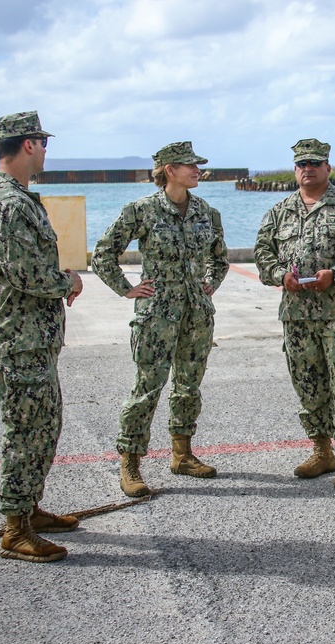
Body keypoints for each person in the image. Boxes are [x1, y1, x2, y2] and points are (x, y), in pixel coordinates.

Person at [0, 111, 84, 563]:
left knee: (44, 424)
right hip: (17, 338)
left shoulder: (19, 198)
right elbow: (27, 273)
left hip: (32, 338)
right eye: (43, 142)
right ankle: (15, 528)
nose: (46, 150)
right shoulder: (9, 205)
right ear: (29, 145)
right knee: (26, 429)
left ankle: (29, 508)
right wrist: (69, 282)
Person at [91, 142, 229, 497]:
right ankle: (130, 463)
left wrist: (209, 284)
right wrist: (126, 288)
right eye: (191, 165)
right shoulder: (143, 211)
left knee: (188, 385)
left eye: (198, 164)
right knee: (147, 388)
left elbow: (220, 258)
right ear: (169, 170)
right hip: (157, 315)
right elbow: (103, 253)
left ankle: (182, 455)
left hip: (196, 315)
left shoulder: (206, 212)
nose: (198, 170)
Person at [253, 139, 335, 488]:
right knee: (307, 383)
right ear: (295, 169)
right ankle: (322, 450)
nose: (308, 168)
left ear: (328, 168)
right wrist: (280, 276)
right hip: (296, 315)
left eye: (315, 163)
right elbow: (263, 253)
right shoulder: (280, 211)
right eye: (302, 163)